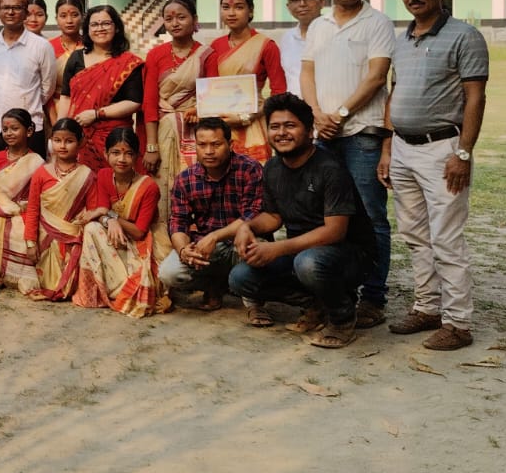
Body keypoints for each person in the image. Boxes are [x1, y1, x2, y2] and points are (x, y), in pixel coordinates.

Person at [381, 0, 490, 351]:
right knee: (414, 235)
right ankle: (427, 307)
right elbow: (395, 93)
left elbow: (475, 97)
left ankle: (458, 322)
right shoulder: (401, 38)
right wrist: (388, 146)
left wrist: (463, 152)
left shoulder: (465, 36)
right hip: (404, 150)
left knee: (447, 238)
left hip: (444, 149)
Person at [229, 93, 379, 348]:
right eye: (275, 127)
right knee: (240, 278)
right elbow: (274, 217)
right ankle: (315, 303)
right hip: (302, 254)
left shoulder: (330, 169)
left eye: (290, 125)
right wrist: (248, 226)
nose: (282, 133)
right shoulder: (273, 168)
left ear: (310, 132)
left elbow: (335, 232)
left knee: (308, 263)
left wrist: (277, 248)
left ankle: (342, 317)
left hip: (349, 255)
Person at [300, 0, 397, 329]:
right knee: (323, 217)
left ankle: (373, 297)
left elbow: (376, 78)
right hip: (323, 135)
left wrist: (338, 115)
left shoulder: (378, 23)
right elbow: (307, 73)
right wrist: (316, 115)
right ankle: (331, 294)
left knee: (372, 218)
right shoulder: (320, 26)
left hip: (362, 136)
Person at [159, 118, 264, 314]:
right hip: (206, 247)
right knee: (169, 273)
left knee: (258, 254)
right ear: (195, 146)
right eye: (202, 145)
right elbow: (178, 222)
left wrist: (215, 237)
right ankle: (213, 285)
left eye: (216, 144)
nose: (209, 151)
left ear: (230, 145)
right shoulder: (185, 179)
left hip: (241, 241)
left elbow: (252, 215)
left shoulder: (249, 168)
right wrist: (183, 250)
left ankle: (255, 303)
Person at [74, 128, 167, 317]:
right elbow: (100, 212)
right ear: (106, 154)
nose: (121, 159)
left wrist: (112, 218)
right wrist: (109, 219)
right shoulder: (104, 176)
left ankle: (123, 288)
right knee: (91, 227)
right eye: (116, 153)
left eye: (128, 154)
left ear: (137, 157)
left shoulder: (149, 187)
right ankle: (114, 287)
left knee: (96, 225)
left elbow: (140, 231)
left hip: (141, 242)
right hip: (115, 237)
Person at [141, 0, 207, 259]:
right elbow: (149, 103)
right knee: (164, 194)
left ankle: (200, 252)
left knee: (197, 192)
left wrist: (199, 109)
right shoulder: (156, 55)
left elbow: (211, 96)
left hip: (196, 133)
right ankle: (165, 255)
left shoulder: (206, 54)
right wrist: (152, 146)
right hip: (163, 134)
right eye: (169, 19)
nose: (175, 23)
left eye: (181, 17)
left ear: (195, 21)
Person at [202, 0, 287, 164]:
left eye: (239, 7)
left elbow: (279, 93)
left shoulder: (266, 46)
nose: (231, 13)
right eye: (226, 7)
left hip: (253, 124)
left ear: (251, 11)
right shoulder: (214, 46)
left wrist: (246, 116)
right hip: (220, 125)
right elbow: (208, 90)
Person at [57, 5, 144, 172]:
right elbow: (66, 96)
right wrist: (62, 129)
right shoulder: (77, 57)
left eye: (106, 23)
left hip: (115, 139)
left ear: (116, 27)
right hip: (79, 135)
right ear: (87, 29)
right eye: (94, 24)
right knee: (82, 184)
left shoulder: (128, 62)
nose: (100, 28)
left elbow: (134, 102)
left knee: (114, 184)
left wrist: (97, 114)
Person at [0, 0, 57, 164]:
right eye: (5, 8)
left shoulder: (41, 46)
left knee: (31, 185)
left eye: (16, 7)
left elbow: (47, 87)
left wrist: (29, 105)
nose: (11, 12)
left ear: (25, 12)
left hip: (30, 128)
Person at [25, 118, 94, 302]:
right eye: (57, 140)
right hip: (44, 235)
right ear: (50, 141)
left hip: (73, 236)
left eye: (69, 141)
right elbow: (33, 209)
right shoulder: (42, 173)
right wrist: (31, 243)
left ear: (81, 142)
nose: (62, 146)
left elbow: (92, 211)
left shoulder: (87, 175)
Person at [0, 108, 45, 295]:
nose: (9, 133)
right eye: (5, 129)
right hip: (0, 215)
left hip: (27, 215)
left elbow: (38, 198)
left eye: (14, 128)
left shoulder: (36, 161)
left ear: (28, 131)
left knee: (22, 235)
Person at [278, 0, 324, 96]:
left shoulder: (335, 34)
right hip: (295, 111)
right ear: (288, 7)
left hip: (327, 112)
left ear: (322, 1)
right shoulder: (286, 39)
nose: (302, 4)